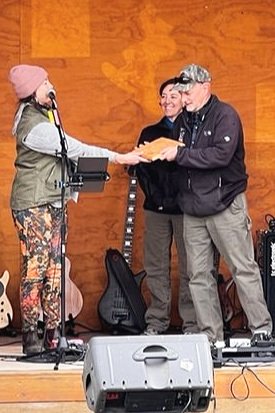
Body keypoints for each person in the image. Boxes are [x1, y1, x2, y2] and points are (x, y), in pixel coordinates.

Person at [8, 64, 147, 355]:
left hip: (54, 201)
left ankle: (53, 334)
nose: (51, 84)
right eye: (45, 81)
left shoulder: (46, 115)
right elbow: (74, 148)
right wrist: (119, 157)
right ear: (33, 90)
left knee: (56, 268)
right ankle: (31, 337)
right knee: (36, 270)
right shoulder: (33, 126)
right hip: (34, 204)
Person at [160, 63, 273, 346]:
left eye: (188, 92)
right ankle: (211, 336)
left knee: (243, 268)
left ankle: (261, 330)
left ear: (206, 86)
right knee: (197, 275)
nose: (183, 97)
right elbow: (180, 154)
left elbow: (220, 156)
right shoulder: (183, 122)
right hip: (193, 209)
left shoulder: (226, 115)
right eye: (181, 92)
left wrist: (180, 155)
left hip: (225, 204)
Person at [134, 78, 197, 335]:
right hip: (156, 209)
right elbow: (141, 170)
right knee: (156, 266)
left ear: (184, 99)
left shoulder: (193, 129)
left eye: (174, 95)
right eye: (164, 96)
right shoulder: (150, 133)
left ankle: (191, 323)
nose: (168, 100)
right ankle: (157, 321)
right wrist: (155, 196)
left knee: (190, 267)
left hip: (186, 210)